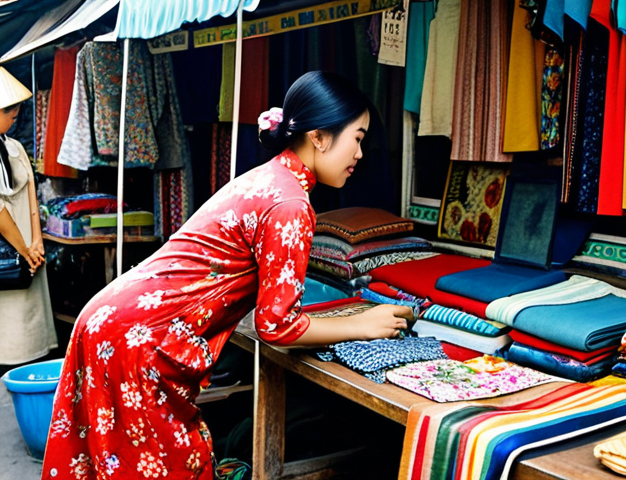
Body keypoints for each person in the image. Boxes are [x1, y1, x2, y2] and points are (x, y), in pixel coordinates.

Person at [41, 71, 412, 480]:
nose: (361, 153)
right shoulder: (290, 201)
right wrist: (363, 323)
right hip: (139, 341)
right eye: (357, 138)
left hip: (114, 323)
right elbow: (277, 326)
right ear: (320, 137)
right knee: (169, 467)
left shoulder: (269, 179)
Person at [0, 67, 56, 377]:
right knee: (8, 316)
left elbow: (32, 195)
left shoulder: (15, 147)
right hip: (9, 247)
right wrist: (23, 249)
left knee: (30, 311)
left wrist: (37, 241)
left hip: (25, 244)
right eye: (9, 112)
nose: (14, 118)